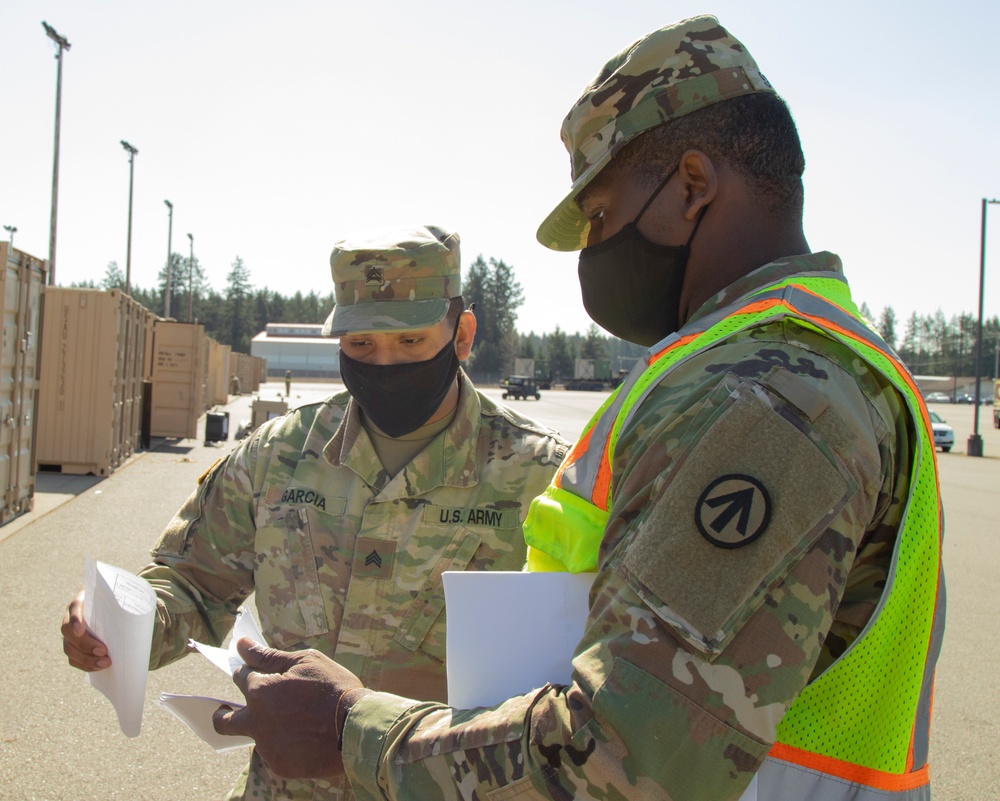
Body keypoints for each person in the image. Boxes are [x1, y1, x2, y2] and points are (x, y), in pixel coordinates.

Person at [211, 17, 945, 801]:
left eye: (599, 215)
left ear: (692, 186)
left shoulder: (771, 397)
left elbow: (625, 760)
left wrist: (350, 729)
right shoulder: (779, 363)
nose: (594, 251)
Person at [61, 224, 569, 801]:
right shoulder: (278, 455)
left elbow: (584, 680)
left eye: (410, 342)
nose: (385, 363)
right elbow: (194, 586)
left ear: (462, 333)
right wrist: (121, 623)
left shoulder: (543, 479)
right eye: (361, 347)